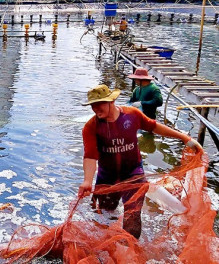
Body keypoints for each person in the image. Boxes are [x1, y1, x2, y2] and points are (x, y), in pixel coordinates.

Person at [78, 84, 202, 239]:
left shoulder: (132, 115)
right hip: (107, 177)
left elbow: (154, 126)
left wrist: (184, 138)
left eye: (99, 104)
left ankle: (131, 250)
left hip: (133, 174)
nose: (96, 109)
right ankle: (106, 247)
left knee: (133, 215)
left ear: (111, 101)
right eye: (92, 105)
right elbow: (90, 155)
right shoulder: (91, 127)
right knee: (102, 214)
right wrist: (87, 181)